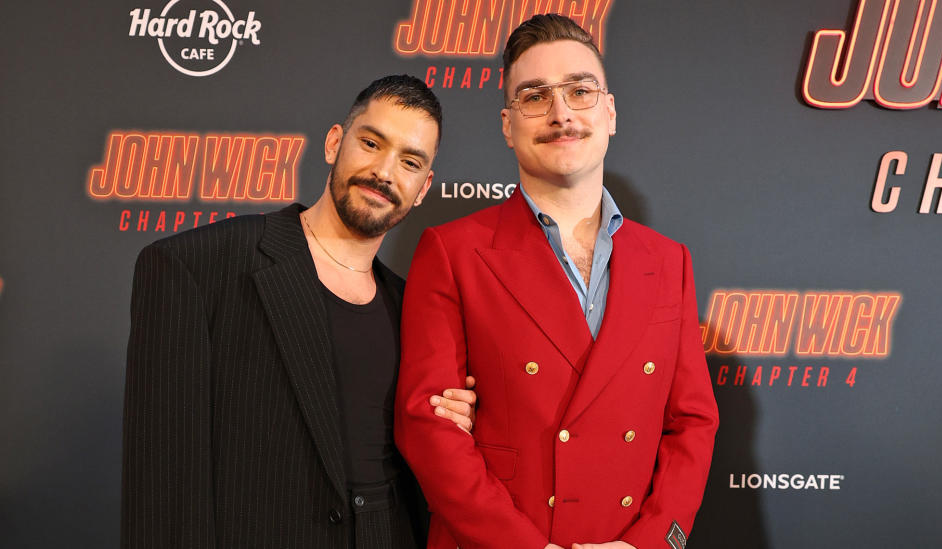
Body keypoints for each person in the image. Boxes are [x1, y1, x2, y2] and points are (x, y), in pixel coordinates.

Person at [395, 15, 719, 549]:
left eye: (580, 91)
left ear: (611, 112)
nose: (561, 113)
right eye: (534, 96)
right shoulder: (453, 252)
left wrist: (656, 543)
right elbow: (428, 428)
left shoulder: (668, 262)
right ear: (507, 124)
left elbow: (692, 423)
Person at [123, 75, 477, 549]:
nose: (384, 171)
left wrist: (452, 414)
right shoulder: (197, 268)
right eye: (371, 143)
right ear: (335, 142)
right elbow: (163, 489)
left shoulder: (413, 306)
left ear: (423, 187)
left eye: (409, 162)